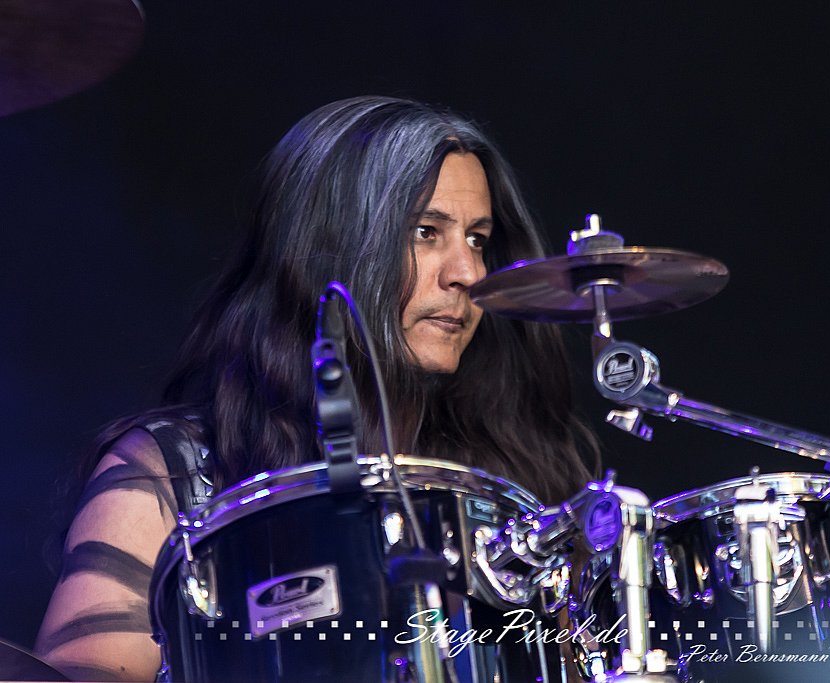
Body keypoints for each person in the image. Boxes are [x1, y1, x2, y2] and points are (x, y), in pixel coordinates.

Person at [35, 96, 598, 681]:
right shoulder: (170, 475)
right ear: (332, 248)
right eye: (426, 232)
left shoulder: (517, 486)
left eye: (478, 239)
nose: (468, 273)